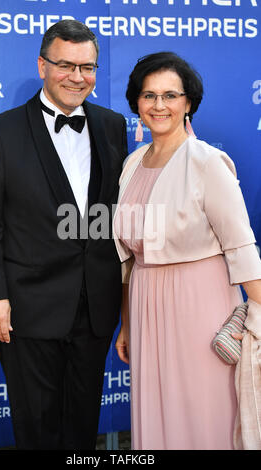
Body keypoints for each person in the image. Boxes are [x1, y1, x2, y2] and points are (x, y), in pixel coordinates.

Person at [0, 19, 127, 450]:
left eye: (88, 67)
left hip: (95, 305)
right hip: (26, 306)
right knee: (37, 426)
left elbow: (111, 214)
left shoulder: (112, 126)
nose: (78, 77)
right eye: (66, 65)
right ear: (42, 66)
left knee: (82, 421)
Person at [113, 51, 261, 450]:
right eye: (149, 95)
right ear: (136, 104)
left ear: (188, 102)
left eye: (170, 95)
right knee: (157, 410)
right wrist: (126, 323)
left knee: (202, 410)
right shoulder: (131, 164)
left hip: (201, 306)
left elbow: (242, 246)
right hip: (145, 304)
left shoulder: (208, 162)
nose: (159, 105)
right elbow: (127, 259)